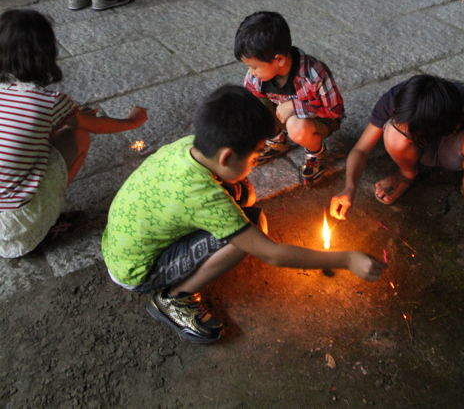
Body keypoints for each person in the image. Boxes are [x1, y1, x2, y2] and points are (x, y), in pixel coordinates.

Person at [102, 84, 384, 344]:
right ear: (226, 156)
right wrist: (347, 258)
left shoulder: (190, 145)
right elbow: (271, 253)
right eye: (253, 158)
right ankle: (173, 297)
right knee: (253, 225)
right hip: (139, 271)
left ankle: (181, 274)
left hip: (121, 245)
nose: (255, 164)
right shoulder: (204, 197)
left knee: (242, 192)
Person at [0, 9, 147, 258]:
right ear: (46, 53)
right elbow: (95, 125)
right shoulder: (48, 101)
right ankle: (48, 221)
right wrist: (132, 121)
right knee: (78, 137)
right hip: (13, 228)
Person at [329, 75, 464, 221]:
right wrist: (349, 187)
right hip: (426, 144)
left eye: (414, 133)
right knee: (395, 133)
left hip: (455, 146)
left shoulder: (460, 107)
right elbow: (361, 150)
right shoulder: (401, 99)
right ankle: (407, 174)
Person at [234, 11, 344, 182]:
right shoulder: (257, 76)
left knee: (296, 125)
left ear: (278, 60)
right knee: (250, 103)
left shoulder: (313, 74)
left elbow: (334, 111)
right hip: (281, 113)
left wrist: (295, 105)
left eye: (254, 67)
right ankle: (277, 140)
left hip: (318, 119)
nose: (250, 72)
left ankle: (316, 154)